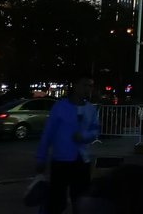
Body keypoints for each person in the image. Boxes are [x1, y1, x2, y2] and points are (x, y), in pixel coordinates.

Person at [35, 73, 100, 214]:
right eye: (85, 85)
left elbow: (95, 130)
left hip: (82, 159)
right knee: (57, 201)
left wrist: (84, 136)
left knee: (81, 200)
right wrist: (41, 158)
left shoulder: (91, 109)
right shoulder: (60, 107)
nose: (88, 89)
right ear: (75, 86)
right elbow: (48, 133)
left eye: (90, 86)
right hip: (61, 159)